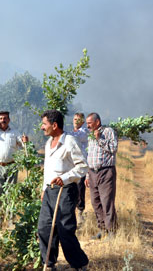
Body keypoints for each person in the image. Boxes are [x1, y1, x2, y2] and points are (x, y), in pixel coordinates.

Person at [38, 109, 89, 271]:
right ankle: (49, 263)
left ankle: (79, 264)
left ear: (54, 125)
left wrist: (65, 178)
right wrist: (44, 189)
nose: (42, 127)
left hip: (66, 191)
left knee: (65, 229)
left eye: (44, 124)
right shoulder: (48, 144)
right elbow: (48, 169)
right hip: (49, 191)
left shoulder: (70, 141)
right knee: (44, 227)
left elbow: (82, 166)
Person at [84, 112, 118, 240]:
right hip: (93, 173)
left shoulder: (108, 131)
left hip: (105, 172)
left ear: (97, 122)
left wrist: (100, 139)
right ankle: (102, 229)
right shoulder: (90, 135)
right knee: (95, 202)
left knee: (107, 202)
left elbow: (114, 148)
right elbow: (90, 156)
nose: (87, 126)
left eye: (89, 123)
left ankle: (111, 232)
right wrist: (88, 175)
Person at [69, 112, 89, 222]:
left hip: (81, 165)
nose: (76, 121)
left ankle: (80, 212)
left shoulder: (84, 132)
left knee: (80, 189)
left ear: (83, 121)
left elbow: (75, 139)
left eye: (79, 119)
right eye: (75, 119)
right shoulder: (71, 133)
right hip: (71, 166)